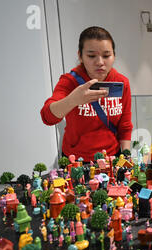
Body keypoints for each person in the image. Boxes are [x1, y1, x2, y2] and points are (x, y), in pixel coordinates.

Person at [41, 26, 133, 162]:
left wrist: (125, 157)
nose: (100, 62)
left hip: (112, 158)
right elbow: (47, 117)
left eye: (106, 55)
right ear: (80, 56)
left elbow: (125, 126)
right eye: (91, 56)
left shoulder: (121, 82)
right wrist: (73, 100)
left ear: (114, 55)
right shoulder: (70, 81)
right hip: (76, 159)